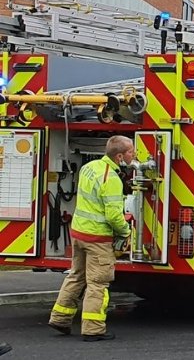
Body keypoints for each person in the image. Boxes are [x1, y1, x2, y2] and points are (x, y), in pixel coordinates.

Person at [47, 135, 133, 341]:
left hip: (78, 233)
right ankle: (93, 329)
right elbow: (113, 216)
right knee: (97, 284)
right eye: (131, 152)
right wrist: (125, 232)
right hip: (98, 238)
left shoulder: (90, 167)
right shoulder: (111, 178)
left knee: (76, 276)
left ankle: (60, 318)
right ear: (120, 156)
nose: (134, 155)